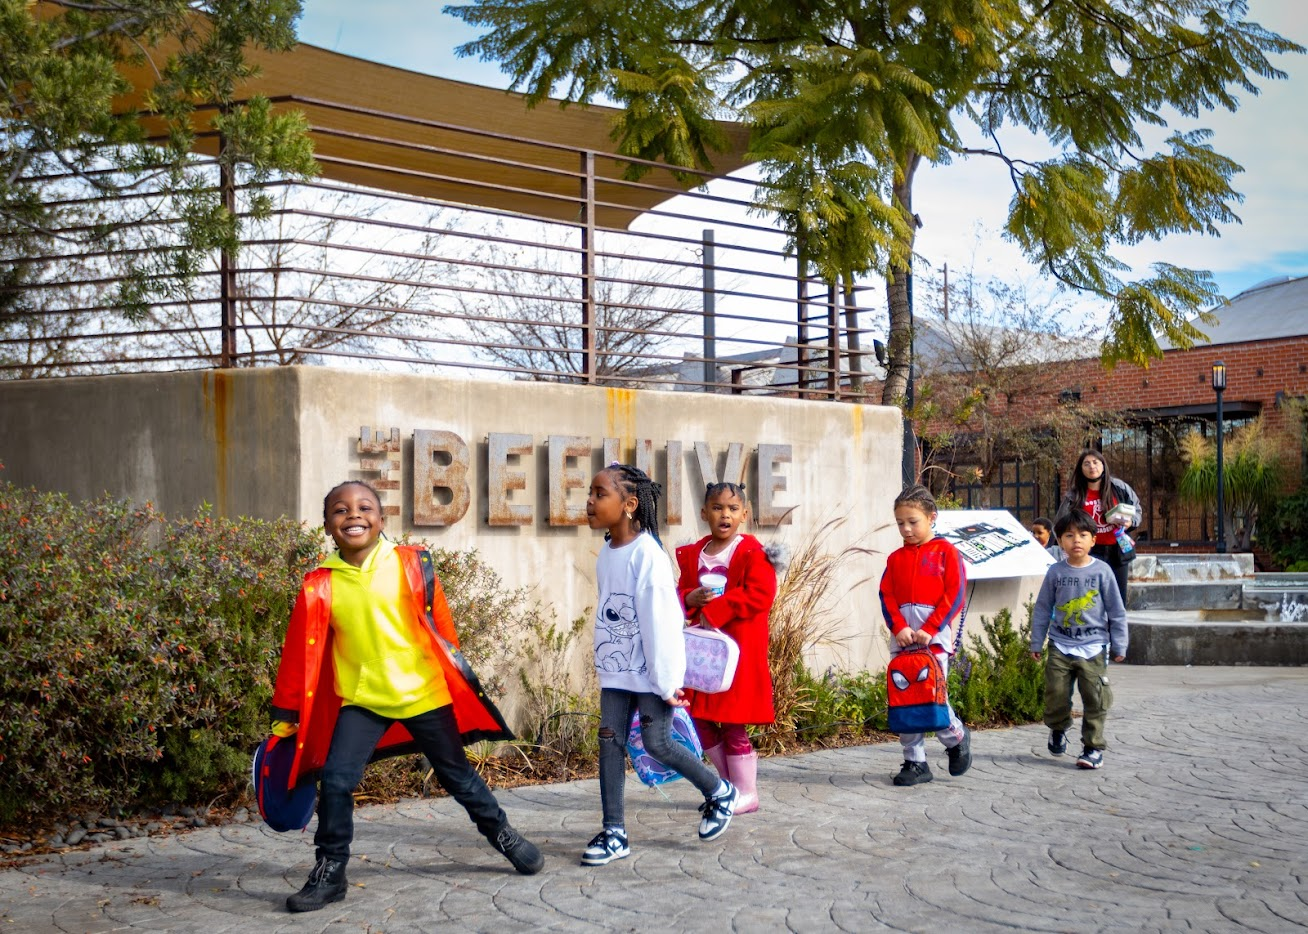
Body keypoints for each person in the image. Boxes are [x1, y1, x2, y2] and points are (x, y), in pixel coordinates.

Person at [269, 480, 543, 913]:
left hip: (425, 694)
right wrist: (286, 714)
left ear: (381, 519)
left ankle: (502, 834)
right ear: (326, 525)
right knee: (337, 781)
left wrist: (458, 683)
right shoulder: (319, 585)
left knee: (458, 779)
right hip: (362, 700)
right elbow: (297, 654)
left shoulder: (411, 565)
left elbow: (442, 634)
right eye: (339, 510)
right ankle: (330, 869)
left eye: (364, 507)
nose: (352, 515)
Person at [582, 463, 738, 866]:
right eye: (591, 493)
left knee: (659, 743)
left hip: (652, 674)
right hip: (617, 672)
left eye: (601, 494)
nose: (590, 501)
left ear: (630, 504)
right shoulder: (608, 551)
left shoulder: (647, 555)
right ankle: (614, 832)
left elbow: (662, 622)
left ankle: (719, 791)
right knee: (609, 745)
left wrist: (667, 680)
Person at [675, 481, 778, 814]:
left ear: (744, 514)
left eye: (733, 509)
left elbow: (760, 594)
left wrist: (717, 611)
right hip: (702, 658)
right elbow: (679, 593)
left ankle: (748, 792)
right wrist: (688, 599)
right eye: (717, 508)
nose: (725, 514)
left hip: (737, 655)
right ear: (704, 513)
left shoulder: (750, 552)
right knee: (698, 716)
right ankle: (726, 785)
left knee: (733, 721)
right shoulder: (694, 554)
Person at [878, 484, 972, 786]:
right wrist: (900, 628)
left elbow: (954, 594)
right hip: (903, 642)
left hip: (934, 643)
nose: (906, 529)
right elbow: (886, 595)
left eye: (912, 522)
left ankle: (955, 737)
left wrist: (929, 629)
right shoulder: (894, 559)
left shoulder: (946, 552)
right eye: (900, 523)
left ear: (932, 517)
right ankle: (915, 762)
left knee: (932, 695)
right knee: (904, 698)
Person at [1030, 509, 1128, 770]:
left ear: (1093, 540)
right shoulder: (1055, 572)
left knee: (1095, 698)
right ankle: (1058, 728)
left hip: (1094, 646)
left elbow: (1116, 610)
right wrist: (1036, 642)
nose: (1076, 540)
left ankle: (1092, 748)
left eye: (1083, 535)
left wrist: (1120, 644)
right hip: (1060, 644)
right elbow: (1042, 608)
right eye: (1069, 535)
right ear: (1060, 540)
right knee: (1056, 693)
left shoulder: (1103, 571)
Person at [1056, 449, 1140, 604]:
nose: (1092, 466)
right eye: (1086, 464)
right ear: (1081, 469)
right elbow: (1061, 523)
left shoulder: (1119, 487)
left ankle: (1116, 628)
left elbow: (1136, 510)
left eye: (1095, 462)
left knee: (1117, 600)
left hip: (1117, 550)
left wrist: (1130, 522)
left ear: (1103, 465)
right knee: (1091, 600)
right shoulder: (1074, 496)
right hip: (1090, 552)